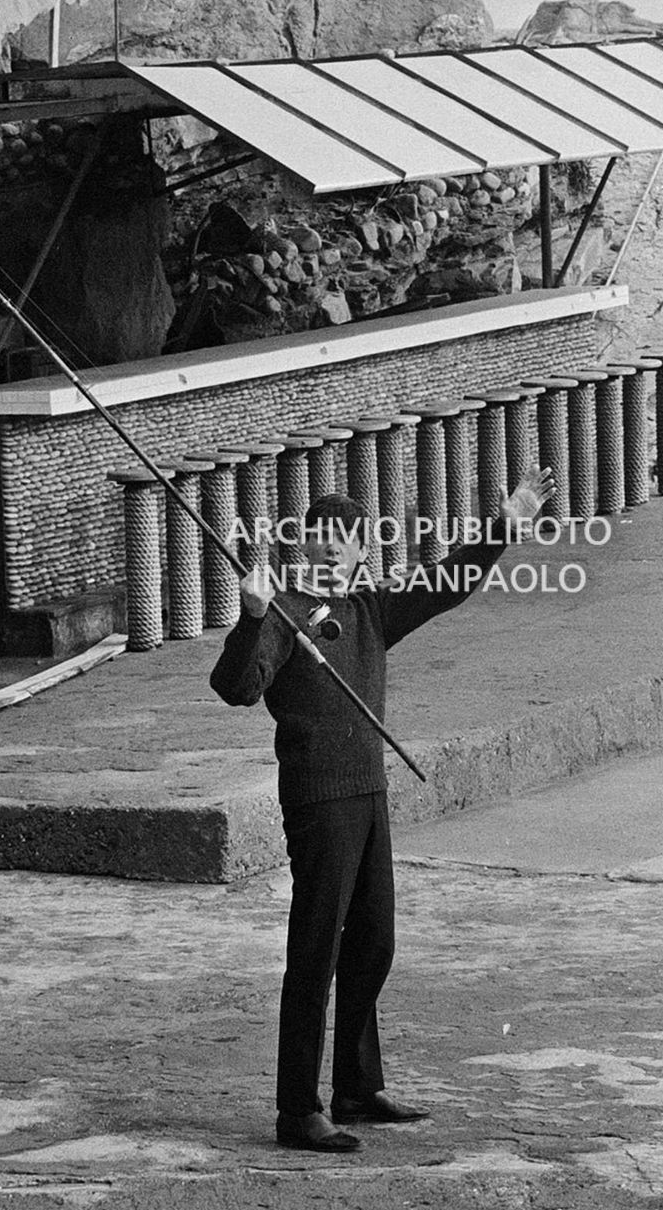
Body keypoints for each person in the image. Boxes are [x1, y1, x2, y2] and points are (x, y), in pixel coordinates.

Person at [209, 463, 552, 1153]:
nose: (331, 546)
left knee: (373, 942)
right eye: (320, 535)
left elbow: (444, 584)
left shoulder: (368, 612)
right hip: (317, 798)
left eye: (345, 538)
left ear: (363, 551)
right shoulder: (281, 613)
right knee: (314, 951)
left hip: (367, 793)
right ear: (301, 544)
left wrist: (503, 527)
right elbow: (235, 687)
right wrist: (250, 618)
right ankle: (297, 1111)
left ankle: (357, 1089)